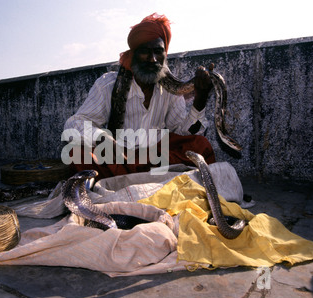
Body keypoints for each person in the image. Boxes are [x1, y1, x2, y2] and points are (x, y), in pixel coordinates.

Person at [63, 13, 215, 179]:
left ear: (165, 54)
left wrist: (200, 100)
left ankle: (131, 182)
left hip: (157, 156)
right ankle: (149, 181)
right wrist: (101, 138)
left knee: (200, 145)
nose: (153, 59)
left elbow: (183, 133)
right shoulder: (108, 84)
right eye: (145, 52)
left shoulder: (172, 88)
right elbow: (73, 124)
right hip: (121, 157)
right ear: (133, 54)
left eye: (158, 52)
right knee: (78, 153)